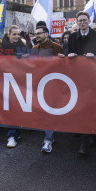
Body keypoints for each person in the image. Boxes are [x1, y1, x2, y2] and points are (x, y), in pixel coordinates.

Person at [65, 11, 96, 155]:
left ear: (89, 21)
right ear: (77, 22)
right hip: (78, 78)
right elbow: (69, 54)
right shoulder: (71, 37)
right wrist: (69, 56)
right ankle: (85, 139)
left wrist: (95, 57)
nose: (82, 23)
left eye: (84, 20)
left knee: (92, 108)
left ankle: (91, 136)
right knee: (82, 108)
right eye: (80, 21)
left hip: (95, 77)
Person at [32, 25, 64, 153]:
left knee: (49, 112)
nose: (37, 36)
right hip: (39, 85)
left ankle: (48, 140)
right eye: (36, 34)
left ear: (46, 34)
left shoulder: (57, 47)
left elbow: (64, 67)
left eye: (39, 33)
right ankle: (50, 135)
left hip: (53, 85)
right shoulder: (34, 48)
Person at [0, 25, 27, 148]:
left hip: (20, 82)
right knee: (11, 108)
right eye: (14, 34)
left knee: (15, 108)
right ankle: (13, 134)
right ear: (8, 34)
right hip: (5, 81)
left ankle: (12, 135)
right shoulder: (1, 48)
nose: (16, 37)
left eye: (18, 34)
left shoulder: (24, 47)